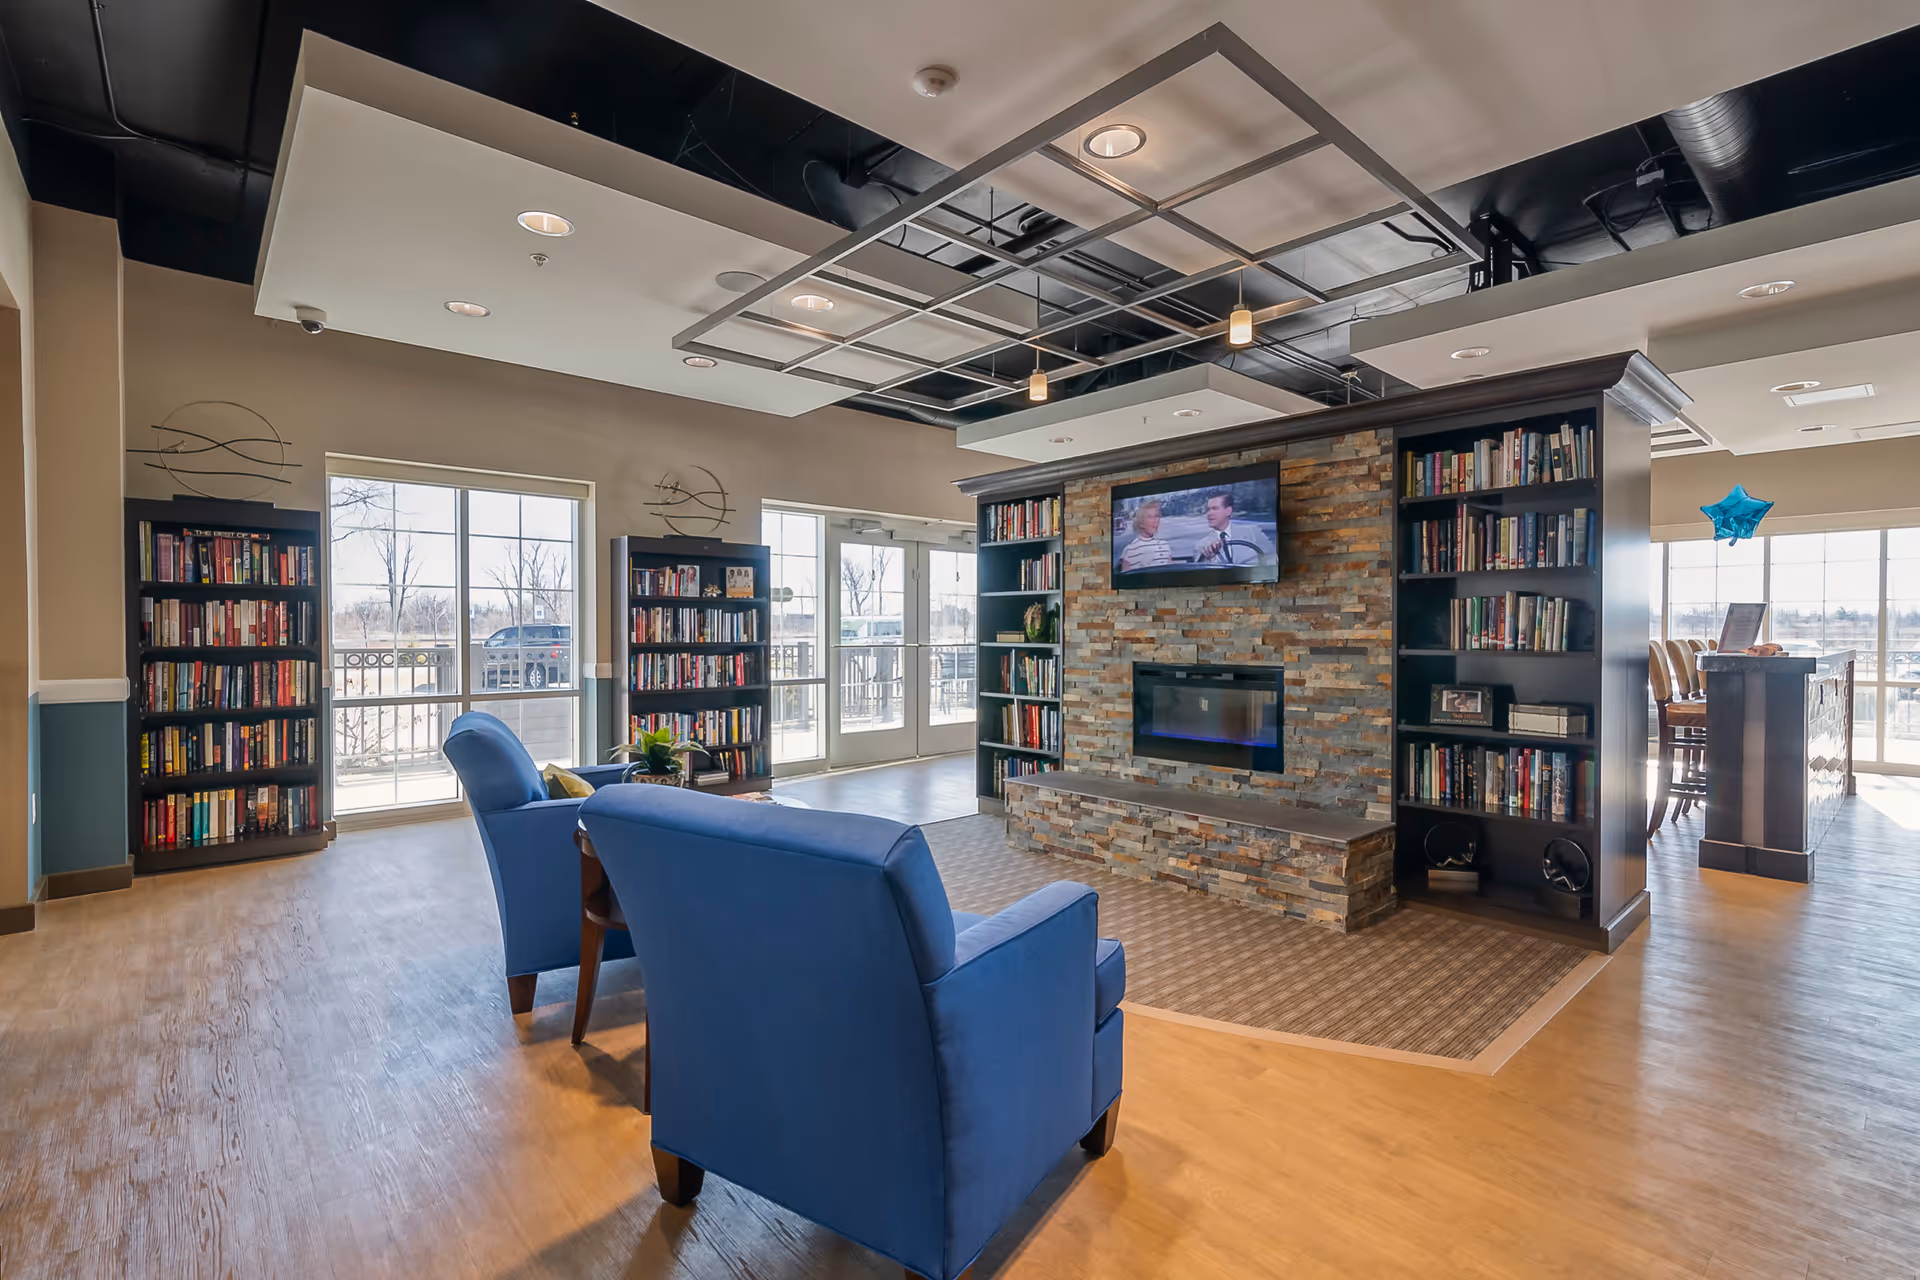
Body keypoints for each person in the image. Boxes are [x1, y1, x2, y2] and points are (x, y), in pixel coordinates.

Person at [1194, 490, 1275, 565]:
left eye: (1215, 508)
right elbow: (1200, 574)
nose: (1209, 513)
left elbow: (1273, 558)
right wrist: (1209, 557)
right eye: (1208, 509)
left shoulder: (1253, 532)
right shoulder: (1202, 545)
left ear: (1228, 511)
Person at [1116, 500, 1173, 572]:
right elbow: (1126, 580)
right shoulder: (1130, 550)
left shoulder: (1165, 545)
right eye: (1150, 517)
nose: (1155, 521)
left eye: (1156, 516)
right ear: (1140, 523)